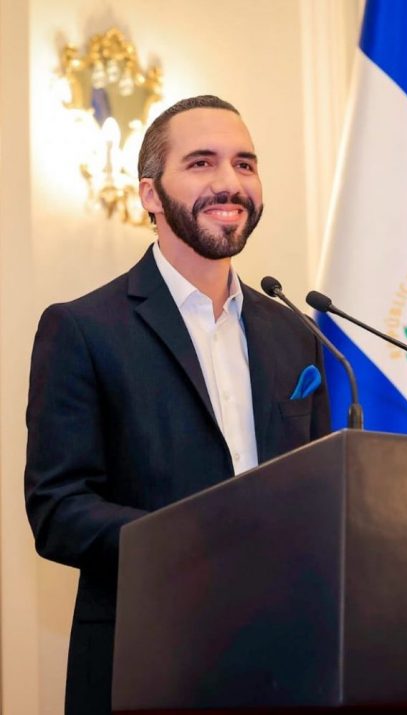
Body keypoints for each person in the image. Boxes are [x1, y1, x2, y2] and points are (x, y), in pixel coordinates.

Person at [24, 95, 331, 715]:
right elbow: (59, 510)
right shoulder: (83, 329)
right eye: (201, 163)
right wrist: (201, 540)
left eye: (245, 164)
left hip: (285, 662)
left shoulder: (296, 333)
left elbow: (320, 489)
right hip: (147, 661)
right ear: (151, 195)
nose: (229, 182)